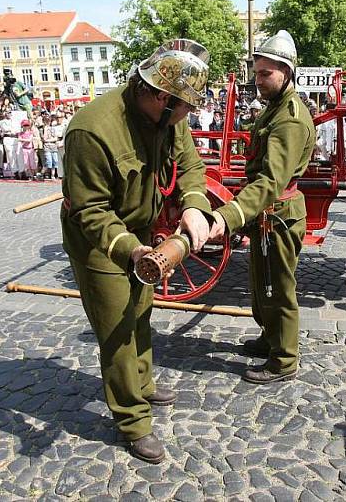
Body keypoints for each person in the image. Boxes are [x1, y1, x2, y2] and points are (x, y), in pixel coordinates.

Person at [61, 39, 212, 463]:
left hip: (142, 225)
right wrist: (131, 250)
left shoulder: (170, 115)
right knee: (118, 330)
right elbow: (90, 210)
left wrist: (195, 206)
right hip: (99, 238)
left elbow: (190, 166)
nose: (188, 114)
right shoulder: (92, 130)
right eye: (185, 106)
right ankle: (133, 419)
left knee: (141, 308)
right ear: (161, 96)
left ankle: (142, 382)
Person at [208, 30, 315, 384]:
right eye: (256, 72)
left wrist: (232, 214)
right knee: (261, 284)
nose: (258, 79)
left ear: (287, 72)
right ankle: (270, 339)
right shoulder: (275, 109)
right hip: (268, 215)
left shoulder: (290, 117)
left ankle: (284, 359)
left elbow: (271, 182)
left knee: (279, 289)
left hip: (280, 215)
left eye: (265, 73)